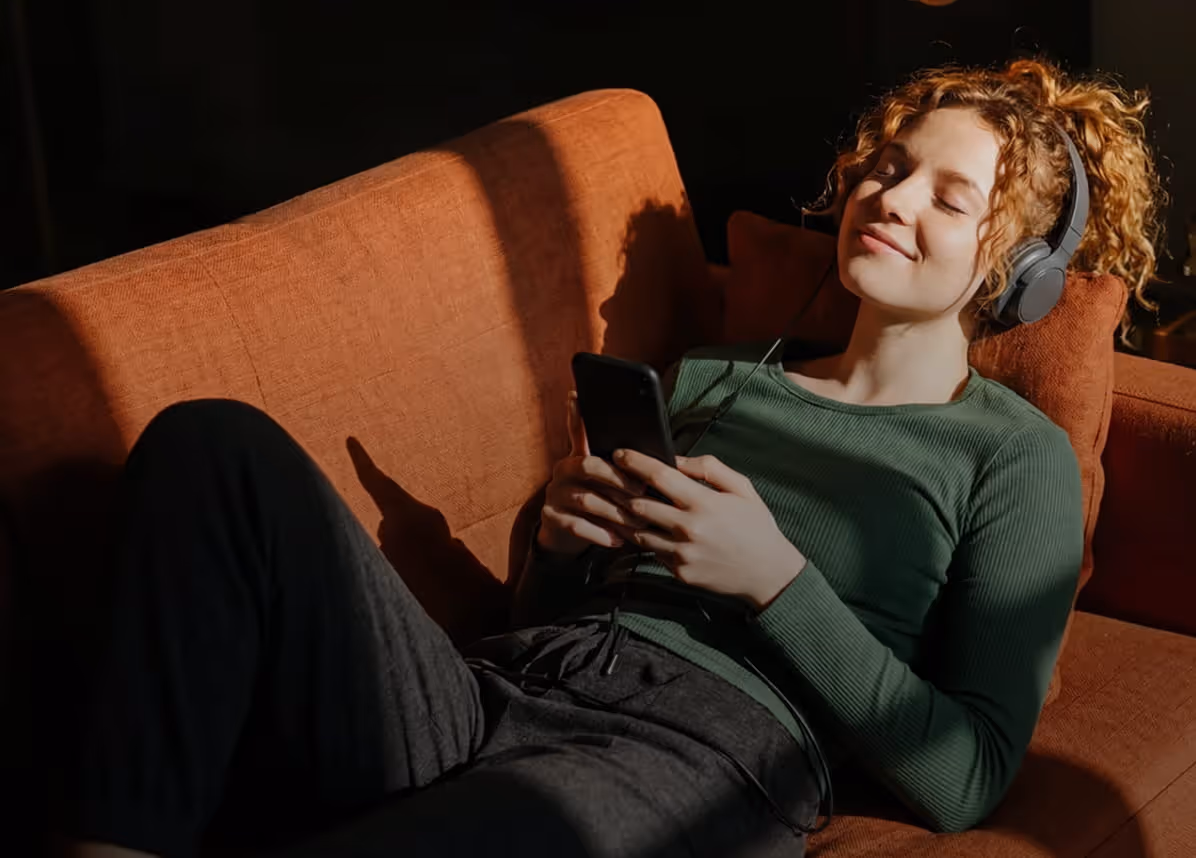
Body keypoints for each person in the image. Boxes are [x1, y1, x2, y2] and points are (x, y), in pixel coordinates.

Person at [56, 56, 1162, 858]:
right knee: (216, 446)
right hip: (504, 690)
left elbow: (964, 777)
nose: (887, 197)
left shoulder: (1005, 457)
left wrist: (773, 580)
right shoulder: (718, 373)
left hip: (698, 754)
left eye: (946, 195)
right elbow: (547, 611)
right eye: (886, 165)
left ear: (1009, 270)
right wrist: (562, 547)